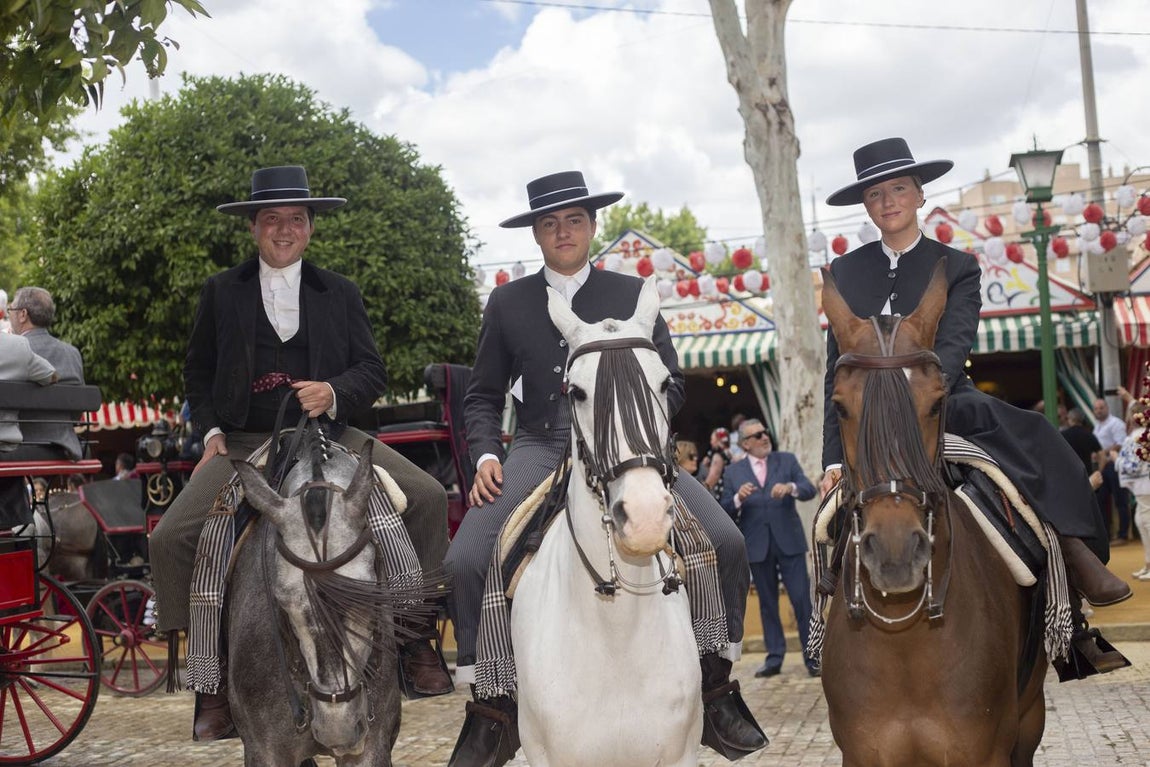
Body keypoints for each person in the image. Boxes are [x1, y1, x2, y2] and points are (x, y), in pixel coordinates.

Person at [444, 171, 765, 766]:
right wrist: (488, 452)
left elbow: (669, 382)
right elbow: (482, 396)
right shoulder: (509, 301)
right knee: (467, 557)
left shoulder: (632, 293)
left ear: (592, 226)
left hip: (630, 446)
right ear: (536, 234)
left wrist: (642, 429)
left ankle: (716, 689)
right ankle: (491, 709)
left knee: (724, 539)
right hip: (541, 444)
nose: (563, 231)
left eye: (574, 220)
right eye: (550, 223)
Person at [147, 165, 451, 742]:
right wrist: (210, 431)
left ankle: (417, 641)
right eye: (271, 219)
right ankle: (210, 679)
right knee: (172, 537)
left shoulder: (341, 291)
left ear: (310, 229)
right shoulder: (220, 291)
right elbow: (197, 372)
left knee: (428, 497)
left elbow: (373, 370)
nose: (283, 230)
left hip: (331, 435)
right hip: (243, 443)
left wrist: (334, 392)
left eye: (295, 219)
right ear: (254, 228)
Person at [821, 137, 1131, 666]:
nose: (888, 201)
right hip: (867, 415)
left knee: (1038, 439)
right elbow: (837, 368)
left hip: (942, 400)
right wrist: (831, 456)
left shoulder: (958, 265)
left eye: (898, 189)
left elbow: (955, 344)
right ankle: (825, 618)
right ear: (866, 207)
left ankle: (1073, 570)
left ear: (920, 195)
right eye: (875, 194)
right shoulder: (844, 274)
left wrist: (915, 391)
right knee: (829, 516)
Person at [719, 420, 818, 678]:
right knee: (767, 603)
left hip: (789, 541)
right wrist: (739, 497)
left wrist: (791, 488)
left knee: (801, 599)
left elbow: (809, 489)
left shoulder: (786, 460)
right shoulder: (733, 472)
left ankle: (813, 656)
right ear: (745, 444)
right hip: (757, 545)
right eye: (758, 435)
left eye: (766, 433)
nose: (765, 438)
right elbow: (724, 509)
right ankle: (774, 658)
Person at [7, 287, 85, 460]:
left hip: (21, 447)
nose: (9, 316)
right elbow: (76, 413)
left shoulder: (12, 351)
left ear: (23, 314)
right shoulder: (72, 353)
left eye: (10, 310)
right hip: (65, 447)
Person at [1116, 402, 1150, 579]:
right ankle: (1147, 563)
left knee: (1146, 520)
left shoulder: (1138, 437)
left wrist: (1117, 459)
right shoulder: (1138, 436)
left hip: (1144, 483)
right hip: (1140, 484)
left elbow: (1128, 463)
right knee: (1141, 519)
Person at [1093, 397, 1129, 543]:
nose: (1099, 411)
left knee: (1120, 500)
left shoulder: (1116, 423)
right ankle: (1106, 535)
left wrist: (1102, 451)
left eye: (1101, 407)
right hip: (1103, 466)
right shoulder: (1097, 426)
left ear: (1107, 408)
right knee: (1100, 500)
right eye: (1096, 408)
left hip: (1114, 464)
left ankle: (1123, 535)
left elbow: (1120, 444)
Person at [1061, 409, 1105, 491]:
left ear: (1070, 419)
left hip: (1068, 477)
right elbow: (1102, 456)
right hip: (1087, 476)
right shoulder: (1089, 435)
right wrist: (1098, 472)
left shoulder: (1063, 435)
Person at [698, 426, 732, 499]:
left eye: (712, 439)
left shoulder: (718, 455)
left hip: (716, 494)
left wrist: (701, 493)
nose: (711, 442)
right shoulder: (729, 454)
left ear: (718, 440)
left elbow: (714, 475)